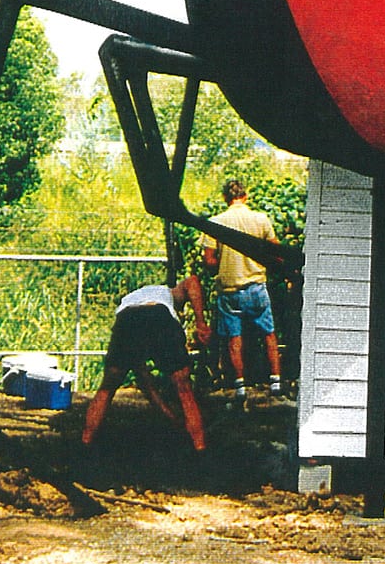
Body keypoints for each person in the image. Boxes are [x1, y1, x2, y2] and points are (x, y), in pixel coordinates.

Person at [82, 275, 210, 451]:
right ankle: (200, 448)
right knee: (185, 390)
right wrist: (201, 324)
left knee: (106, 388)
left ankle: (85, 444)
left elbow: (145, 382)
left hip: (127, 320)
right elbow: (193, 281)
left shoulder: (130, 300)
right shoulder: (167, 293)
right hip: (159, 315)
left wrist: (169, 416)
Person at [200, 179, 282, 401]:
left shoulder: (215, 223)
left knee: (234, 338)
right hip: (256, 285)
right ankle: (276, 382)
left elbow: (208, 261)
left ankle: (240, 387)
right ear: (245, 196)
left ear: (225, 198)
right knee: (269, 334)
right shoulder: (260, 219)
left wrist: (222, 262)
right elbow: (276, 251)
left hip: (230, 289)